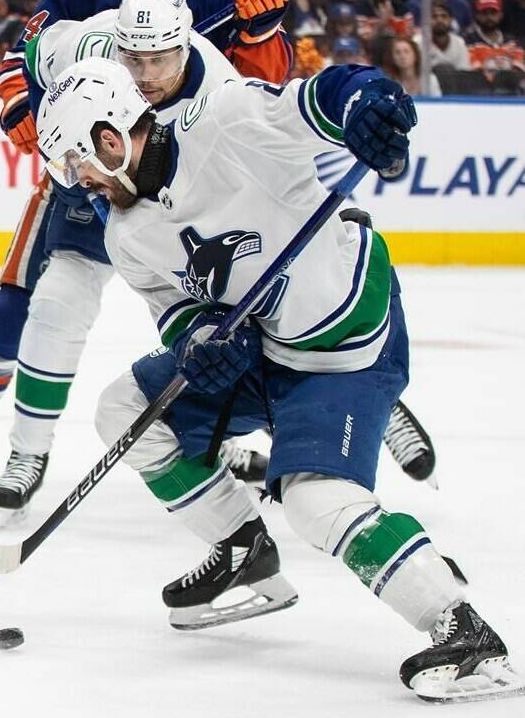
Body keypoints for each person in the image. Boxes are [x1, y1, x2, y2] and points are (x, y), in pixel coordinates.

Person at [37, 55, 522, 703]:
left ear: (108, 136)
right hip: (263, 345)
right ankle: (242, 549)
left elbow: (324, 97)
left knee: (313, 500)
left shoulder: (225, 120)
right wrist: (197, 341)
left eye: (77, 164)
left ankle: (462, 630)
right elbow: (179, 314)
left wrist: (365, 100)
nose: (79, 184)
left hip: (342, 342)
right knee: (125, 408)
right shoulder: (128, 233)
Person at [0, 0, 293, 510]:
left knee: (221, 324)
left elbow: (262, 96)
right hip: (92, 174)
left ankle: (243, 431)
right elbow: (23, 58)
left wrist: (262, 32)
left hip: (180, 188)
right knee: (32, 307)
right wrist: (21, 107)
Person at [413, 2, 470, 70]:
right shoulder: (417, 42)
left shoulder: (459, 43)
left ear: (451, 20)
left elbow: (463, 72)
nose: (439, 20)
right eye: (434, 16)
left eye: (444, 16)